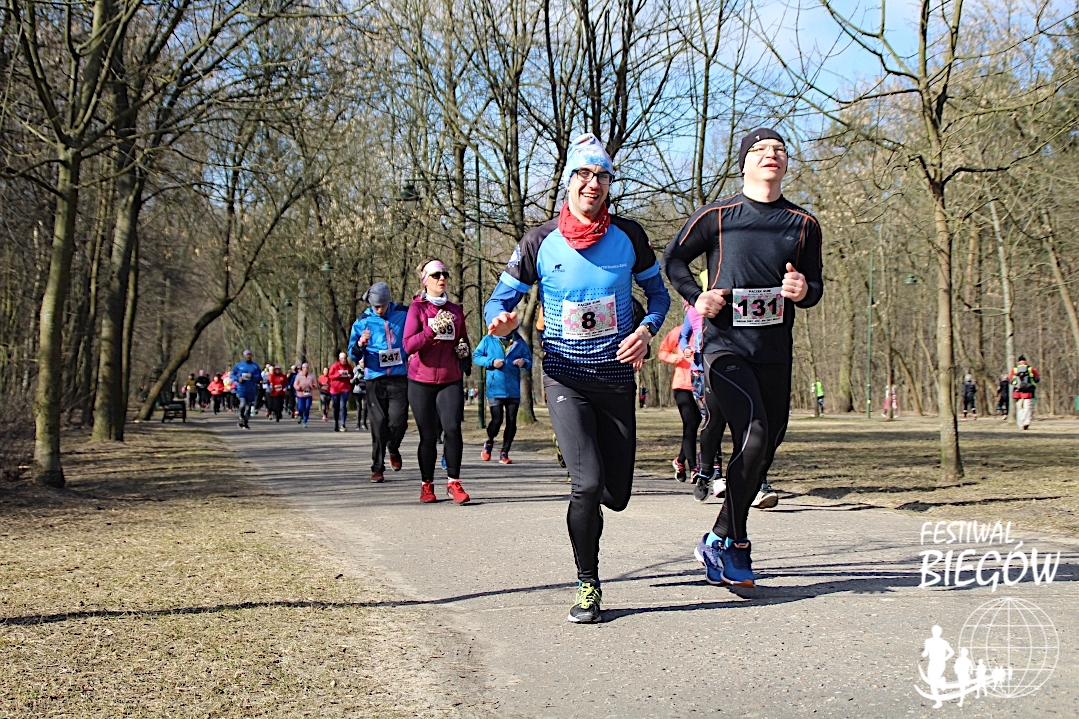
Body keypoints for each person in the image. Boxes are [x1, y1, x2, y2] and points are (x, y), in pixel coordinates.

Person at [486, 133, 670, 623]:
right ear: (569, 181)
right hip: (564, 375)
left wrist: (646, 331)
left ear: (609, 184)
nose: (593, 184)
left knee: (616, 495)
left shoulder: (629, 236)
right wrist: (500, 322)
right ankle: (588, 583)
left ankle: (585, 467)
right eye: (584, 174)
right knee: (586, 486)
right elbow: (498, 302)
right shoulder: (539, 241)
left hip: (615, 379)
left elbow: (659, 296)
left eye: (602, 176)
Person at [663, 127, 823, 588]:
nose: (771, 154)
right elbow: (674, 260)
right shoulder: (718, 216)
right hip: (725, 349)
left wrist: (803, 290)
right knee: (753, 436)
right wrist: (697, 296)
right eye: (760, 149)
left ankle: (720, 537)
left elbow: (814, 285)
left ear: (786, 164)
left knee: (765, 449)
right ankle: (736, 544)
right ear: (744, 163)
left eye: (779, 149)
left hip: (774, 352)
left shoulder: (803, 224)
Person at [403, 259, 472, 504]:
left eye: (445, 274)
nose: (442, 279)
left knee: (452, 429)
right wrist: (431, 331)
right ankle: (427, 484)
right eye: (436, 275)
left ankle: (454, 482)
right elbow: (408, 345)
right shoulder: (417, 309)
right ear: (425, 280)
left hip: (450, 378)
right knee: (428, 435)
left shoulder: (455, 310)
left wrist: (464, 350)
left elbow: (463, 339)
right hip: (420, 380)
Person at [348, 282, 410, 482]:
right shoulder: (362, 322)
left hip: (399, 376)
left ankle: (393, 447)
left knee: (399, 422)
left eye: (382, 306)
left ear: (388, 301)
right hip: (375, 378)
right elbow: (352, 354)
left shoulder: (403, 313)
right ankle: (377, 467)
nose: (380, 310)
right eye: (376, 306)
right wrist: (360, 344)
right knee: (378, 423)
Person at [473, 328, 533, 464]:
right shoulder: (489, 339)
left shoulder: (519, 340)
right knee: (497, 420)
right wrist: (492, 362)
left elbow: (529, 361)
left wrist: (523, 362)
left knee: (511, 421)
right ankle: (489, 442)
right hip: (495, 387)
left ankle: (505, 452)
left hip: (513, 389)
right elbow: (476, 356)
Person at [659, 308, 700, 483]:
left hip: (702, 384)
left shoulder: (704, 330)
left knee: (696, 423)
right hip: (682, 385)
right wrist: (674, 357)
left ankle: (680, 460)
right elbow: (662, 352)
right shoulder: (678, 331)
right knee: (690, 423)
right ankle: (694, 467)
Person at [231, 350, 261, 429]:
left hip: (251, 389)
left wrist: (252, 376)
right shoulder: (239, 365)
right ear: (244, 356)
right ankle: (241, 416)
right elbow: (233, 374)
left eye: (250, 354)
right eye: (247, 355)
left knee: (248, 408)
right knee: (243, 404)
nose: (248, 356)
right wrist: (238, 379)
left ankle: (245, 422)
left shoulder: (255, 366)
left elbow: (259, 377)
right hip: (242, 388)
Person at [1010, 355, 1040, 430]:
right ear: (1025, 361)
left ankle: (1020, 424)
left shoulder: (1014, 369)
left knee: (1019, 408)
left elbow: (1011, 381)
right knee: (1028, 408)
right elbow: (1037, 379)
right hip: (1028, 391)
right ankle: (1026, 422)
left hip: (1017, 392)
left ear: (1018, 362)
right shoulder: (1030, 369)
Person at [328, 353, 353, 431]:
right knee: (336, 407)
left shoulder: (348, 366)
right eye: (342, 358)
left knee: (343, 406)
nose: (343, 360)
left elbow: (352, 374)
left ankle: (343, 424)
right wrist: (338, 374)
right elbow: (330, 376)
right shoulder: (335, 366)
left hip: (345, 388)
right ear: (339, 359)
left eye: (345, 358)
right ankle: (336, 423)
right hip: (335, 389)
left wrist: (350, 376)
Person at [292, 363, 318, 427]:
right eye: (304, 368)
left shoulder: (311, 376)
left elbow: (315, 384)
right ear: (302, 368)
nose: (306, 369)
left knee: (307, 408)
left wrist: (313, 386)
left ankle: (305, 422)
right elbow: (295, 384)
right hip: (300, 395)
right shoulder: (298, 375)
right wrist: (299, 388)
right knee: (300, 408)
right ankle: (300, 415)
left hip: (309, 395)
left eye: (307, 368)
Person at [351, 364, 368, 430]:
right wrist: (356, 377)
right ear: (359, 362)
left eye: (363, 362)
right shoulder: (355, 369)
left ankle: (364, 423)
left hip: (365, 391)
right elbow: (351, 381)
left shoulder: (367, 368)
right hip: (357, 391)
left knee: (365, 407)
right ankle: (358, 424)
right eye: (361, 362)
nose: (363, 363)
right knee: (359, 407)